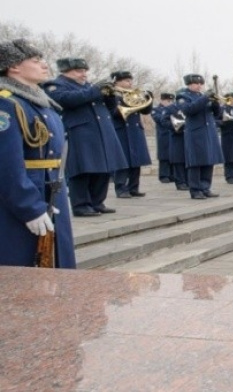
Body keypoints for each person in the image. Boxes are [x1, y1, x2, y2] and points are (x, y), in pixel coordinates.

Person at [0, 39, 75, 268]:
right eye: (36, 60)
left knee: (57, 263)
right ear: (14, 67)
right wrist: (29, 207)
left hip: (51, 190)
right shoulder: (7, 105)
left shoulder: (42, 103)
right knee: (22, 267)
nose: (44, 64)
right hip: (25, 197)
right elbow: (6, 164)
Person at [44, 57, 127, 217]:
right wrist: (96, 90)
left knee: (103, 168)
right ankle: (81, 205)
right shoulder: (56, 85)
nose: (84, 74)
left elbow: (110, 109)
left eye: (84, 71)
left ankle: (97, 202)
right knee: (82, 170)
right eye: (79, 71)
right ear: (65, 71)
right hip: (80, 133)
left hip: (102, 132)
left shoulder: (89, 86)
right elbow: (67, 100)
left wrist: (110, 97)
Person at [176, 74, 224, 200]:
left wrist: (215, 103)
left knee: (209, 160)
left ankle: (205, 187)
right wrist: (205, 98)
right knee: (196, 162)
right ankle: (195, 189)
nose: (199, 86)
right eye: (196, 83)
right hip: (195, 133)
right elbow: (189, 110)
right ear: (189, 84)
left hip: (209, 132)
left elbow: (217, 114)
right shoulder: (183, 96)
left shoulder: (202, 97)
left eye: (200, 84)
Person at [109, 70, 153, 199]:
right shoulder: (112, 94)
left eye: (130, 80)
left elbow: (145, 111)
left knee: (136, 161)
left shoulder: (133, 94)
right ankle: (121, 188)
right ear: (117, 81)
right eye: (127, 81)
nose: (130, 83)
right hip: (121, 129)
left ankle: (134, 187)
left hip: (135, 129)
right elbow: (114, 113)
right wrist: (128, 102)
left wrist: (148, 100)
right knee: (122, 161)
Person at [161, 90, 189, 191]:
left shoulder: (189, 107)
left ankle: (188, 181)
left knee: (188, 160)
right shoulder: (170, 108)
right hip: (177, 136)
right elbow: (164, 121)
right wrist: (175, 126)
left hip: (189, 137)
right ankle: (180, 182)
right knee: (179, 160)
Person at [151, 92, 175, 183]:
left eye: (171, 101)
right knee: (164, 156)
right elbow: (159, 119)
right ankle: (164, 175)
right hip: (163, 135)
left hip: (172, 134)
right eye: (168, 101)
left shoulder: (173, 109)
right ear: (162, 100)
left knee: (173, 155)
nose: (170, 103)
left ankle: (173, 175)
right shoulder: (156, 109)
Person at [219, 92, 233, 184]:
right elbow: (217, 120)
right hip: (227, 135)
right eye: (232, 99)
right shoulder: (223, 109)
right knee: (229, 157)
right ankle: (229, 176)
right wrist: (224, 122)